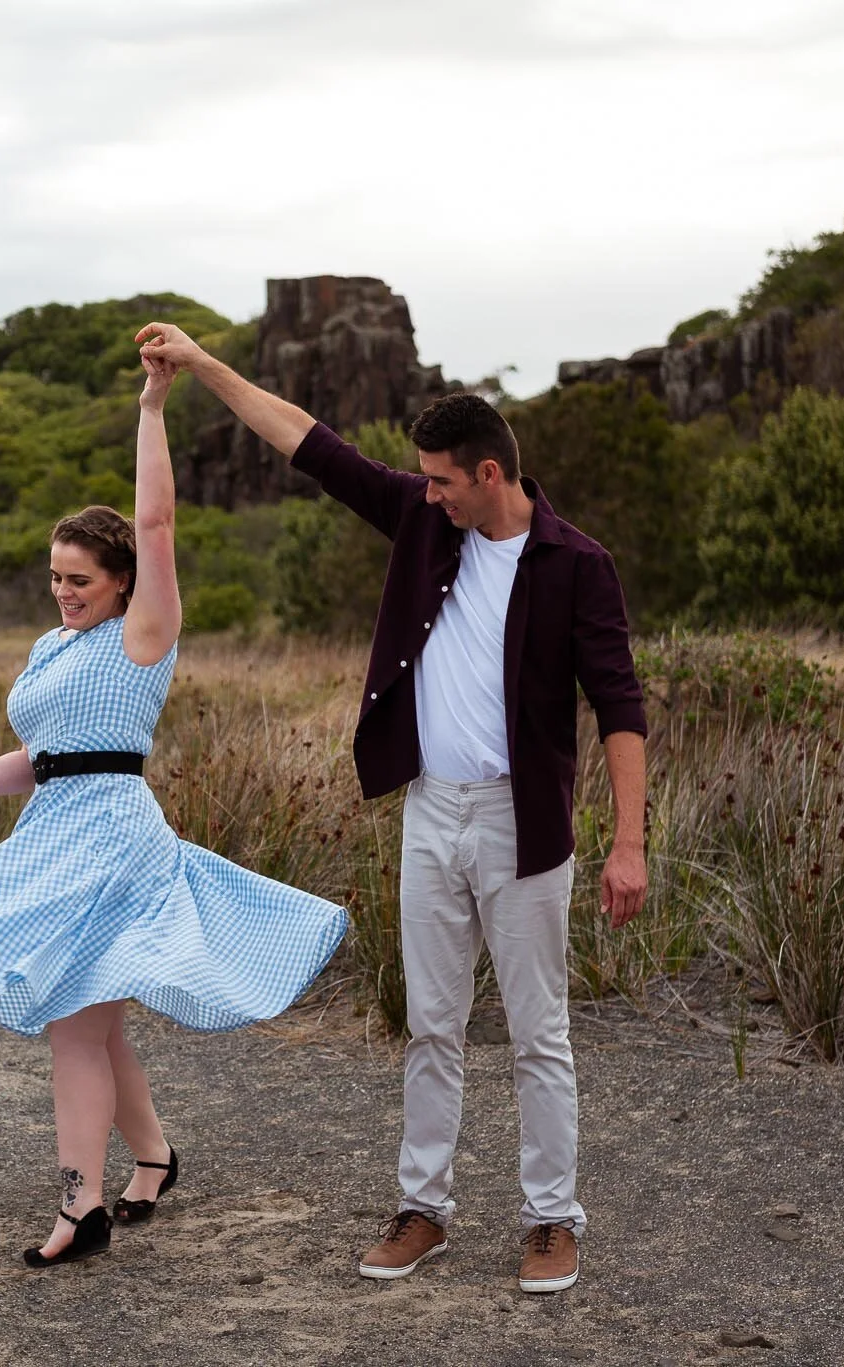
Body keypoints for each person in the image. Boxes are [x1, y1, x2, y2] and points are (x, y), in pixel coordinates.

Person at [134, 320, 648, 1296]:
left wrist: (627, 842)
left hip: (521, 825)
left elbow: (619, 705)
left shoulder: (574, 564)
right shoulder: (422, 520)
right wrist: (202, 368)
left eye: (443, 479)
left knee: (538, 1031)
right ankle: (423, 1208)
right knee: (430, 1023)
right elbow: (307, 442)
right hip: (430, 812)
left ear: (488, 474)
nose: (428, 491)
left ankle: (549, 1219)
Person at [0, 348, 349, 1270]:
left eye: (79, 578)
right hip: (54, 830)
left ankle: (81, 1207)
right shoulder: (51, 645)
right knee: (96, 1021)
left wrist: (155, 403)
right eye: (54, 578)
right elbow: (46, 759)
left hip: (114, 839)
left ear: (119, 579)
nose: (64, 592)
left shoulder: (143, 632)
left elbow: (154, 520)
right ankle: (151, 1156)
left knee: (72, 1019)